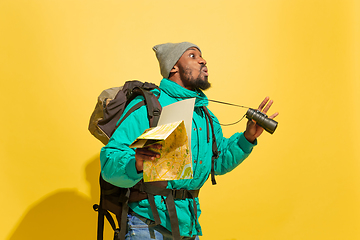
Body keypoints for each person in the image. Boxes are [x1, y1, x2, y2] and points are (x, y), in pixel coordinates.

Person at [100, 42, 278, 240]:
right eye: (193, 56)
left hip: (188, 227)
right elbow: (109, 162)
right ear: (173, 67)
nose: (203, 60)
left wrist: (247, 138)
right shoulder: (148, 106)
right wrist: (137, 161)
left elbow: (217, 163)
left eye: (202, 56)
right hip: (147, 226)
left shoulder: (205, 116)